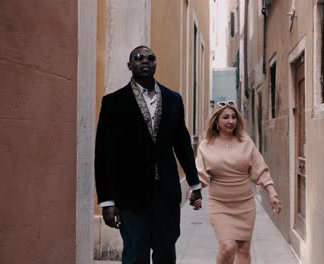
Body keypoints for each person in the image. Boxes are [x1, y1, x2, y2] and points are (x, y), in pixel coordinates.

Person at [94, 45, 202, 264]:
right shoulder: (114, 102)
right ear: (130, 65)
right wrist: (106, 201)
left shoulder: (173, 100)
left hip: (166, 195)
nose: (145, 61)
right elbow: (104, 153)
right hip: (131, 196)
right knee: (135, 254)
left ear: (155, 64)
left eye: (150, 58)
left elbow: (182, 144)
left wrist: (195, 185)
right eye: (138, 58)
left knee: (165, 253)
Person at [195, 101, 282, 264]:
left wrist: (272, 194)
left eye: (234, 117)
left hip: (245, 205)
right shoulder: (206, 145)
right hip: (219, 204)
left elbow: (260, 169)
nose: (231, 121)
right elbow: (200, 174)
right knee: (227, 247)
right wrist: (195, 192)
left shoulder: (245, 142)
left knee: (243, 248)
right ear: (216, 121)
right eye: (225, 117)